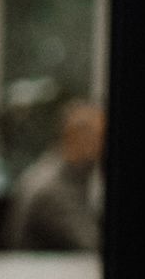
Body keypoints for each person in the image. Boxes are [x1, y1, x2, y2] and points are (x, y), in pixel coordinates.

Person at [6, 95, 105, 252]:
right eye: (99, 138)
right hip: (41, 274)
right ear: (78, 138)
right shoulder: (53, 189)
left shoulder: (58, 172)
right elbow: (91, 245)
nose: (102, 147)